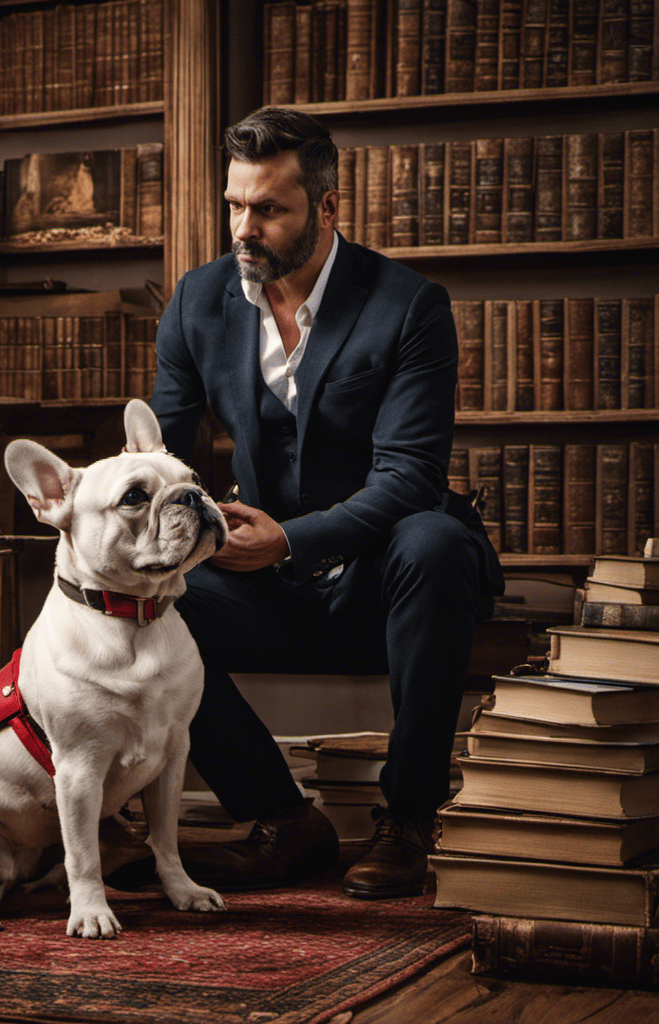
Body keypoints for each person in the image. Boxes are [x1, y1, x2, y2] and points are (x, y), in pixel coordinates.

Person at [143, 106, 503, 899]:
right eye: (236, 204)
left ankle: (408, 822)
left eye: (269, 208)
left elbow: (410, 477)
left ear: (327, 208)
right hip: (267, 581)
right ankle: (281, 818)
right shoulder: (199, 301)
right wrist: (198, 532)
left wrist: (289, 540)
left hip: (385, 577)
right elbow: (162, 461)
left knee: (435, 540)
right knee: (149, 599)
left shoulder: (408, 305)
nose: (246, 227)